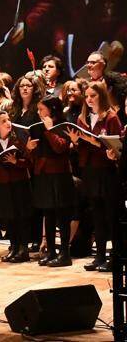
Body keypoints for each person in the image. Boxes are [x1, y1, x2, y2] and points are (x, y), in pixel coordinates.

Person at [69, 81, 123, 272]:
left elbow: (117, 146)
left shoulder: (110, 117)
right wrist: (75, 142)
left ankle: (114, 257)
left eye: (93, 96)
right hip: (89, 171)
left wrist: (94, 142)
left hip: (107, 172)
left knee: (111, 216)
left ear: (101, 96)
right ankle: (99, 256)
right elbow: (80, 148)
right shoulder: (82, 118)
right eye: (88, 96)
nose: (89, 99)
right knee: (96, 215)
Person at [26, 96, 74, 267]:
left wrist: (50, 129)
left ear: (52, 109)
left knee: (62, 214)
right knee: (49, 213)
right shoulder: (38, 127)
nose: (39, 112)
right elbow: (35, 154)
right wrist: (29, 149)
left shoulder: (63, 125)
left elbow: (60, 148)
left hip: (59, 174)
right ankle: (52, 251)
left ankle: (65, 254)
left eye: (41, 109)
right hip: (43, 174)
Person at [0, 110, 32, 263]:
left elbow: (29, 162)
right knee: (10, 217)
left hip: (20, 182)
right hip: (3, 184)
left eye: (8, 120)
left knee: (21, 216)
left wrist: (15, 162)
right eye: (3, 121)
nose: (8, 123)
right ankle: (14, 247)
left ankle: (23, 249)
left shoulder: (19, 138)